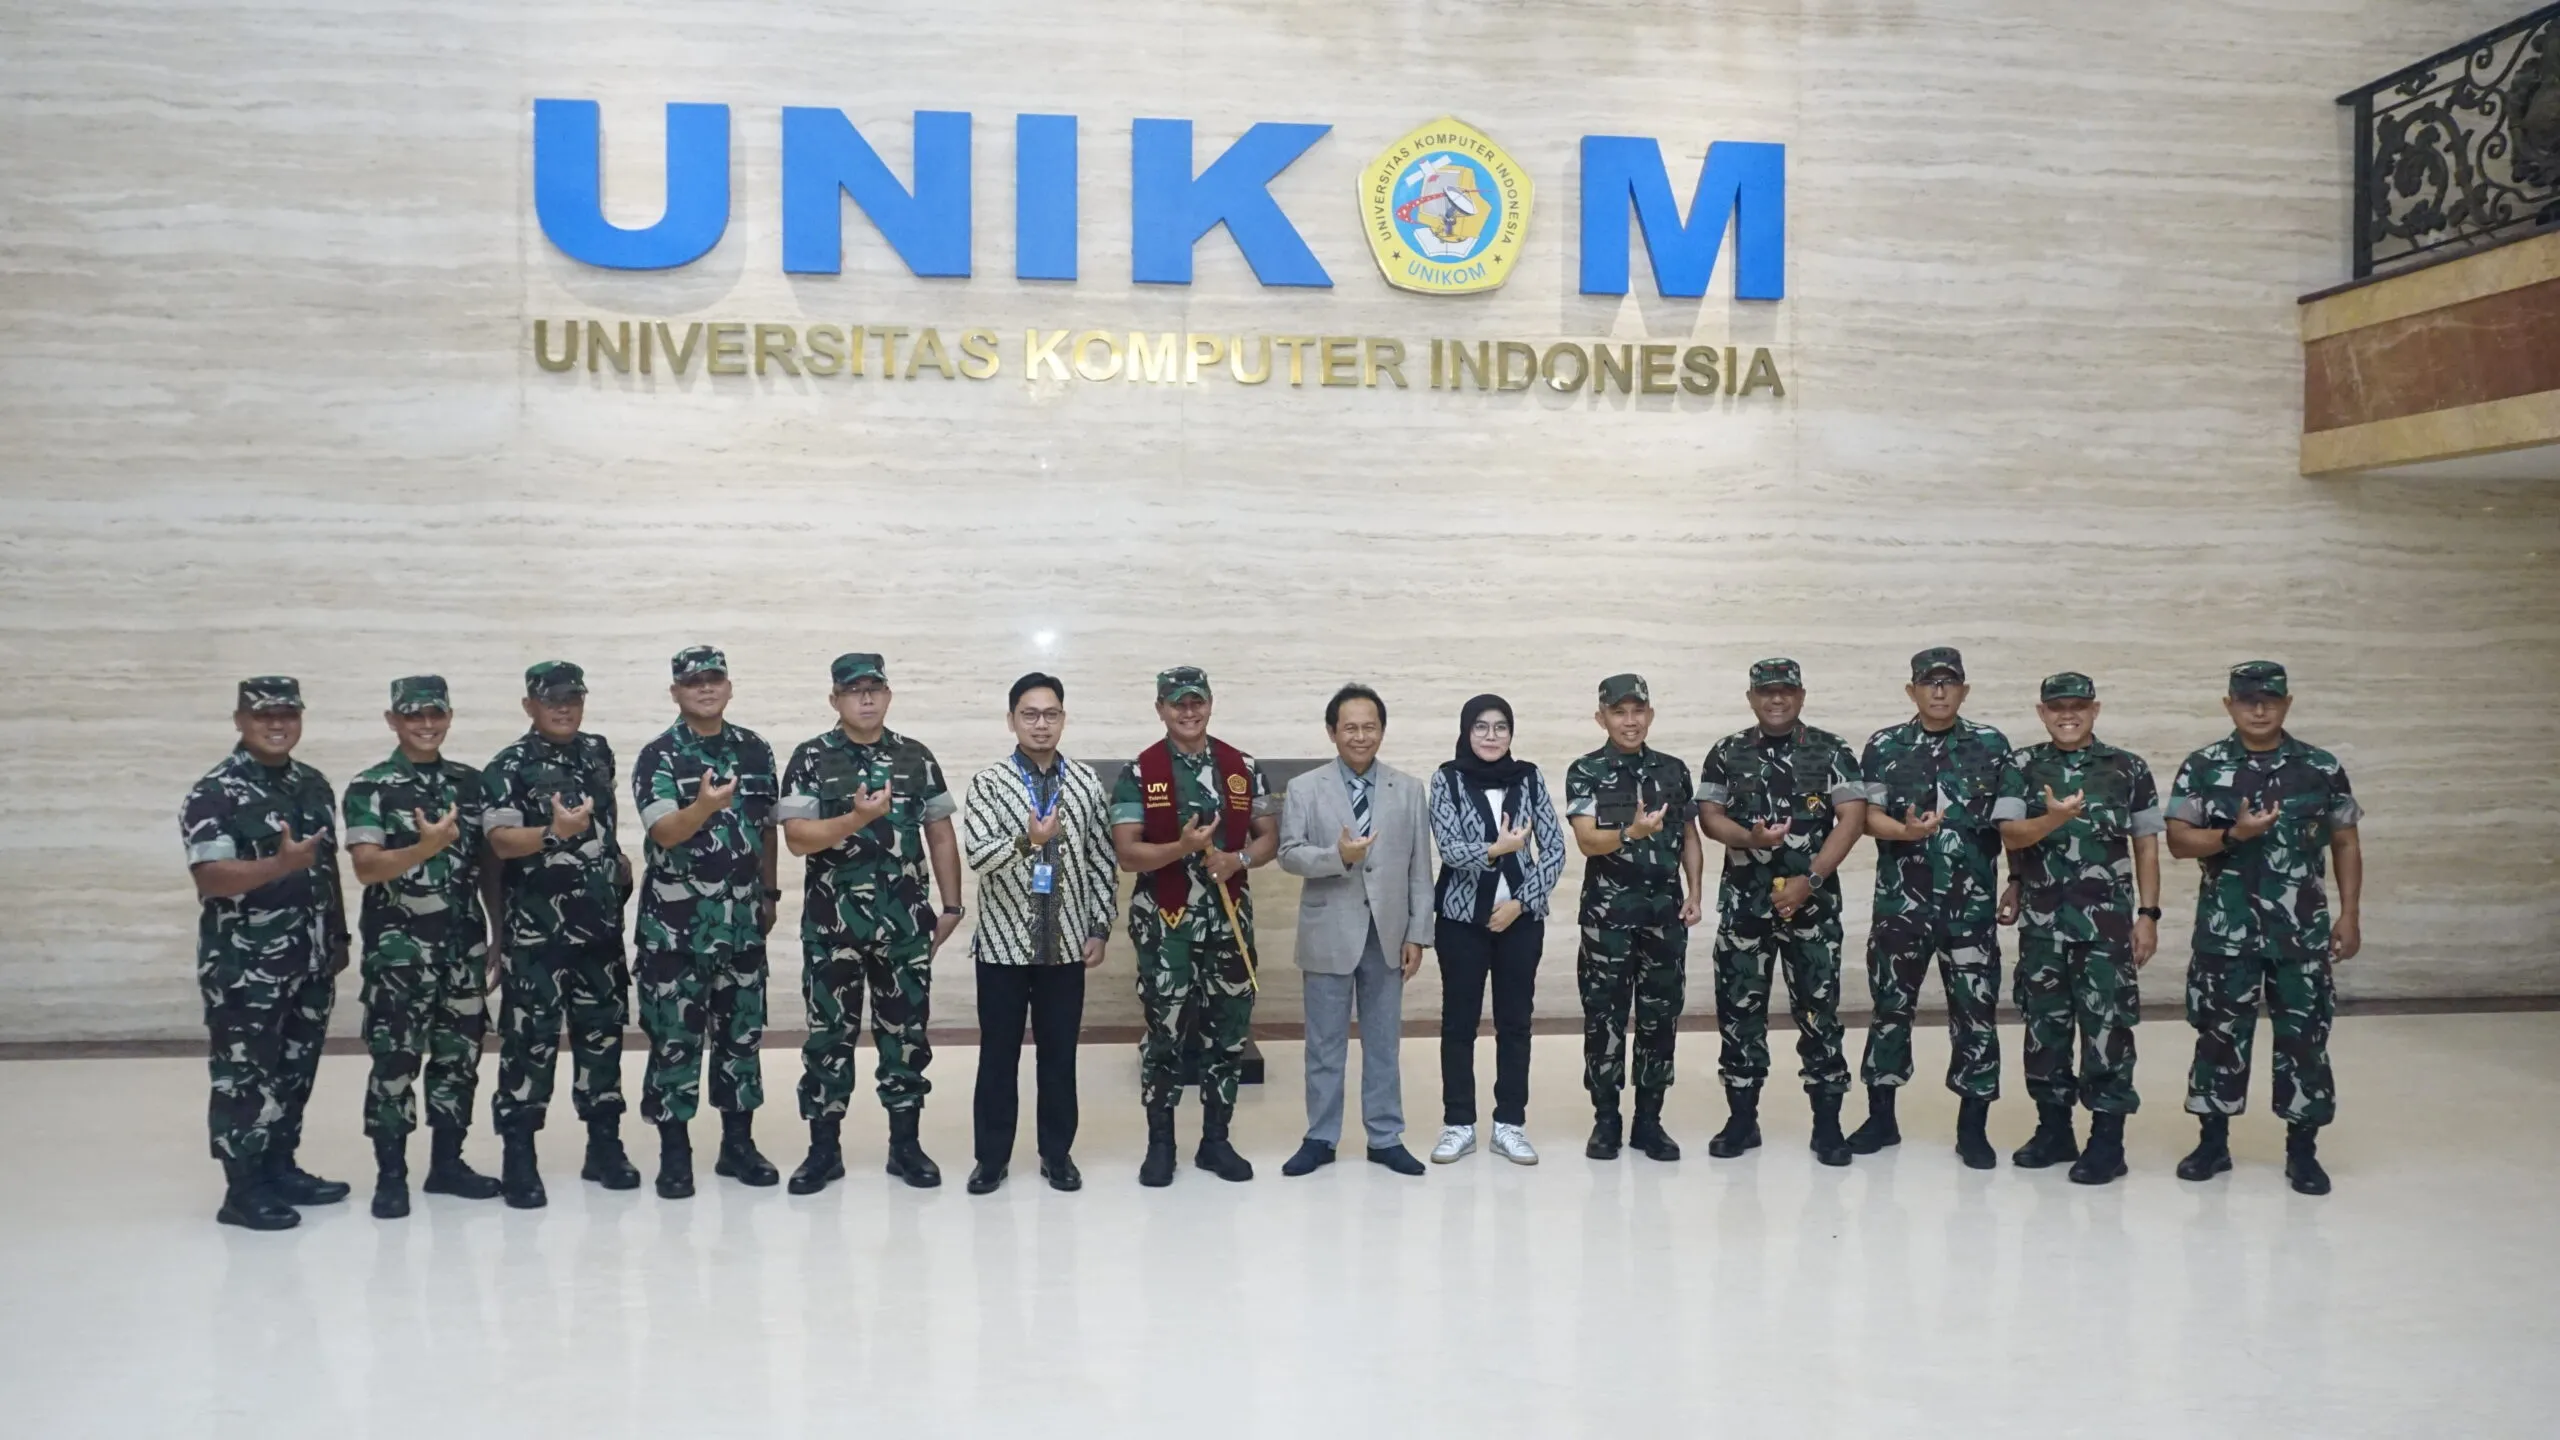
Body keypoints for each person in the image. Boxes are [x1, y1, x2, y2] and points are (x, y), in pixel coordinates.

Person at [2165, 661, 2363, 1196]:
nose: (2259, 709)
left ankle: (2303, 1152)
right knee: (2218, 1037)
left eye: (2270, 700)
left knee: (2305, 1040)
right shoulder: (2202, 766)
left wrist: (2349, 913)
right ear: (2228, 705)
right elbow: (2179, 841)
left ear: (2287, 703)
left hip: (2300, 934)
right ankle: (2212, 1143)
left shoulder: (2320, 767)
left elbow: (2345, 841)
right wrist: (2233, 834)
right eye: (2248, 700)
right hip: (2226, 932)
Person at [774, 653, 964, 1193]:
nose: (865, 699)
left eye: (873, 689)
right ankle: (823, 1151)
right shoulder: (811, 757)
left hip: (904, 926)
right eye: (853, 691)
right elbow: (797, 838)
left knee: (905, 1036)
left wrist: (951, 907)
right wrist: (855, 818)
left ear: (888, 695)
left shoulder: (915, 757)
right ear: (834, 699)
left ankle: (905, 1147)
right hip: (832, 929)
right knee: (828, 1037)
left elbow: (940, 833)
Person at [181, 676, 351, 1230]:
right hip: (245, 966)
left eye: (287, 714)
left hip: (310, 958)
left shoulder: (313, 785)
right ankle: (243, 1189)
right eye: (263, 715)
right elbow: (210, 877)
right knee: (243, 1076)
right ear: (240, 721)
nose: (277, 724)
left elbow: (325, 868)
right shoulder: (216, 791)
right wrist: (278, 865)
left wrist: (338, 936)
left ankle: (280, 1167)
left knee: (295, 1071)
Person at [1696, 658, 1870, 1166]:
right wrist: (1749, 837)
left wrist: (1809, 880)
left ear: (1801, 696)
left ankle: (1827, 1125)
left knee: (1819, 1012)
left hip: (1812, 906)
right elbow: (1709, 817)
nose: (1777, 699)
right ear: (1751, 698)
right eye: (1767, 692)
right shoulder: (1726, 751)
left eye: (1786, 691)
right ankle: (1742, 1120)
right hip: (1745, 906)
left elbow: (1852, 819)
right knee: (1738, 1012)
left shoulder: (1831, 750)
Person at [1110, 666, 1279, 1186]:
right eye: (1177, 703)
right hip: (1167, 927)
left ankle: (1215, 1141)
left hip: (1228, 924)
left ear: (1210, 703)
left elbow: (1269, 836)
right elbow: (1127, 854)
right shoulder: (1140, 772)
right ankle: (1161, 1144)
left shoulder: (1242, 767)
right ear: (1160, 709)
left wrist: (1238, 860)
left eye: (1196, 701)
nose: (1188, 711)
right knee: (1164, 1034)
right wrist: (1181, 848)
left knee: (1228, 1034)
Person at [343, 675, 504, 1218]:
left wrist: (498, 932)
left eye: (435, 714)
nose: (426, 724)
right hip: (399, 955)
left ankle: (447, 1165)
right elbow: (367, 868)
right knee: (395, 1063)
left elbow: (487, 867)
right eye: (414, 716)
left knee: (459, 1060)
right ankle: (391, 1176)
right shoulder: (371, 786)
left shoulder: (471, 784)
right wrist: (426, 846)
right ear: (393, 720)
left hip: (462, 950)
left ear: (449, 717)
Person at [1994, 672, 2164, 1185]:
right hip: (2043, 926)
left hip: (2106, 929)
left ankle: (2107, 1142)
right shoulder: (2020, 765)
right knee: (2044, 1031)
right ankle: (2054, 1131)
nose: (2067, 715)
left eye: (2078, 706)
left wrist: (2148, 914)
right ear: (2042, 713)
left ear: (2095, 710)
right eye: (2057, 707)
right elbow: (2010, 834)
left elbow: (2146, 844)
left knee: (2108, 1031)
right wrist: (2052, 820)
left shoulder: (2127, 768)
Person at [482, 660, 640, 1206]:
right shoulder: (508, 765)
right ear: (530, 705)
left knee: (603, 1038)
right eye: (552, 700)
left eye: (573, 697)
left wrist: (616, 862)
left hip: (599, 930)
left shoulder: (597, 752)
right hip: (537, 938)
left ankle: (604, 1148)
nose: (564, 707)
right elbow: (501, 842)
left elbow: (605, 825)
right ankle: (519, 1157)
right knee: (530, 1045)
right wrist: (553, 833)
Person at [1849, 647, 2013, 1169]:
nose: (1939, 692)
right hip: (1902, 905)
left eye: (1949, 682)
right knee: (1890, 1010)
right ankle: (1881, 1118)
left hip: (1971, 908)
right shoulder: (1884, 746)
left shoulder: (1991, 745)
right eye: (1929, 683)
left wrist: (2017, 882)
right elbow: (1867, 817)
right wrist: (1905, 831)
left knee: (1975, 1014)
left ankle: (1972, 1129)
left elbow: (2011, 823)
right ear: (1911, 690)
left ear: (1964, 689)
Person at [958, 672, 1117, 1193]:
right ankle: (991, 1159)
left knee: (1059, 1057)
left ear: (1064, 719)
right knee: (997, 1057)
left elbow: (1101, 859)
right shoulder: (988, 783)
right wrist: (1028, 842)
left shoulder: (1086, 783)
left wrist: (1099, 926)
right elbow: (979, 856)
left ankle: (1057, 1154)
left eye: (1050, 714)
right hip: (1002, 947)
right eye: (1029, 714)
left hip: (1066, 946)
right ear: (1011, 721)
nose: (1041, 724)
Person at [632, 645, 781, 1198]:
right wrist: (703, 807)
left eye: (714, 679)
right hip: (676, 929)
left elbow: (767, 828)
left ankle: (737, 1146)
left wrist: (769, 892)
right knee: (675, 1041)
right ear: (676, 692)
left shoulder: (754, 749)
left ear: (729, 686)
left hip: (742, 924)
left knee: (742, 1037)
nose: (706, 688)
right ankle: (675, 1153)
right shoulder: (659, 756)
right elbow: (663, 831)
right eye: (693, 682)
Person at [1276, 684, 1435, 1177]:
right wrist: (1337, 857)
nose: (1360, 736)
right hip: (1328, 932)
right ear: (1332, 732)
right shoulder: (1305, 788)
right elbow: (1288, 854)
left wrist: (1417, 934)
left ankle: (1385, 1137)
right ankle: (1321, 1137)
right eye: (1350, 727)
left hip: (1388, 935)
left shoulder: (1409, 789)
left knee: (1384, 1043)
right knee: (1324, 1044)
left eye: (1370, 727)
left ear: (1382, 731)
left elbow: (1419, 870)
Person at [1563, 673, 1705, 1162]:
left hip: (1664, 916)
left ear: (1650, 714)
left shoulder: (1673, 771)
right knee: (1603, 1018)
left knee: (1659, 1018)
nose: (1630, 721)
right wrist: (1632, 833)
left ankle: (1649, 1120)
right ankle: (1606, 1120)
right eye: (1619, 712)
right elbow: (1587, 840)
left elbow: (1689, 836)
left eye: (1638, 711)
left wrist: (1695, 891)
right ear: (1600, 717)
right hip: (1607, 920)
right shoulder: (1586, 770)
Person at [1427, 694, 1567, 1165]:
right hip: (1460, 922)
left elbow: (1554, 850)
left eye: (1501, 727)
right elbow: (1449, 848)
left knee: (1515, 1023)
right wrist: (1495, 849)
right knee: (1458, 1023)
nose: (1491, 736)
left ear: (1511, 733)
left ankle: (1510, 1124)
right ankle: (1458, 1124)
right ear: (1466, 731)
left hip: (1520, 922)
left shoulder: (1528, 777)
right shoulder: (1447, 778)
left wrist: (1521, 903)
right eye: (1481, 727)